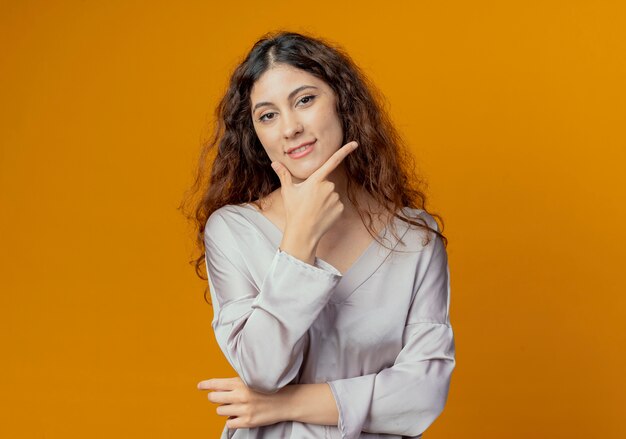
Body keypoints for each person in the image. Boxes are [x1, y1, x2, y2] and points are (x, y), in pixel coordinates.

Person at [182, 30, 456, 439]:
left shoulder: (416, 240)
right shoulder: (233, 230)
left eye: (305, 100)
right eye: (268, 115)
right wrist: (300, 239)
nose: (290, 128)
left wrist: (282, 405)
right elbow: (261, 369)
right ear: (255, 134)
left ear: (343, 104)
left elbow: (423, 393)